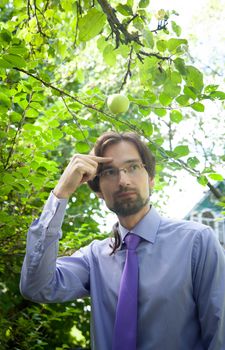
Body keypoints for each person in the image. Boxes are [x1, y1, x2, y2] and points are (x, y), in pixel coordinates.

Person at [20, 131, 225, 350]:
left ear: (151, 179)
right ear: (98, 191)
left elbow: (219, 334)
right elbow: (36, 287)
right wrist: (61, 192)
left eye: (133, 167)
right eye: (110, 172)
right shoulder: (94, 258)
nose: (123, 180)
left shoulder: (197, 242)